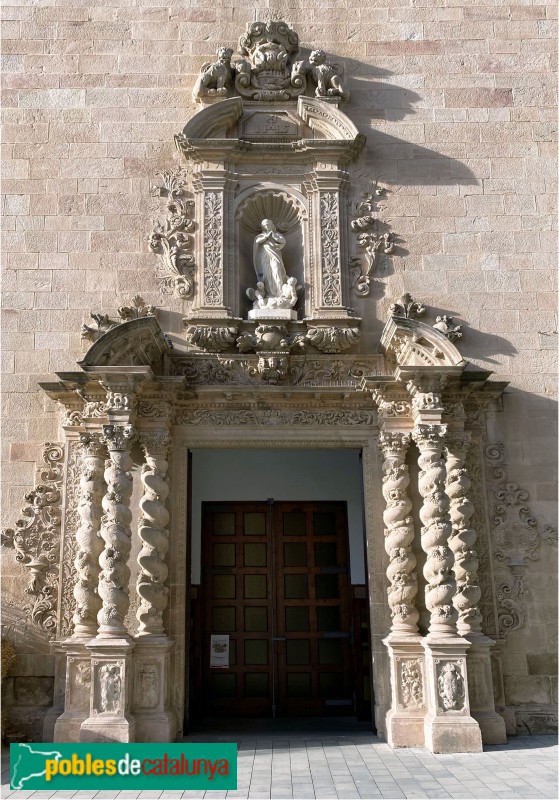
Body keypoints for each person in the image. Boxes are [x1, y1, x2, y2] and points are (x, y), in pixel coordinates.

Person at [253, 219, 287, 298]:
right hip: (265, 257)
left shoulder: (276, 234)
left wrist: (274, 236)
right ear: (263, 227)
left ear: (272, 225)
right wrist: (266, 236)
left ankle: (280, 292)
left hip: (275, 255)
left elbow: (283, 241)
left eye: (268, 224)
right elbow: (257, 241)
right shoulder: (261, 235)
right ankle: (269, 294)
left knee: (276, 271)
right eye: (265, 225)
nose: (267, 226)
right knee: (267, 274)